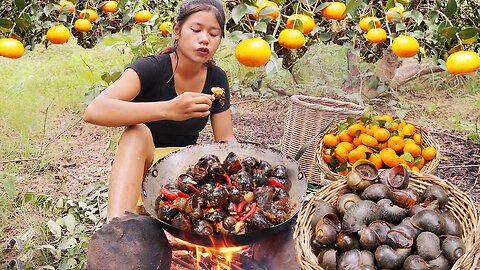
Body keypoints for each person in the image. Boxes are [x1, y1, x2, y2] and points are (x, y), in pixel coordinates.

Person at [83, 0, 236, 222]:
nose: (204, 39)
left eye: (213, 34)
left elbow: (225, 139)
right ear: (177, 30)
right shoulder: (151, 68)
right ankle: (117, 228)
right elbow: (94, 110)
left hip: (183, 171)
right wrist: (168, 109)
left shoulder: (216, 78)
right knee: (137, 132)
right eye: (196, 30)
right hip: (140, 164)